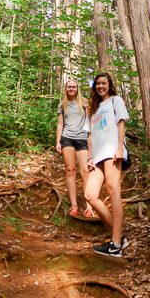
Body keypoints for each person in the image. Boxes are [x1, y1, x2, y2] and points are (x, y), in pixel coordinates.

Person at [85, 72, 130, 258]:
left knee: (113, 191)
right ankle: (119, 237)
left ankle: (116, 245)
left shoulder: (115, 101)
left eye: (104, 83)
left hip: (112, 151)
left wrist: (120, 148)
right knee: (90, 195)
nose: (100, 86)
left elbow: (121, 124)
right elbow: (90, 136)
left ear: (109, 85)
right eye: (98, 83)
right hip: (97, 156)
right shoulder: (92, 109)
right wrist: (89, 157)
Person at [56, 78, 94, 218]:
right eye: (69, 87)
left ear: (77, 89)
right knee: (70, 170)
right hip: (67, 138)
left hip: (82, 139)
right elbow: (60, 124)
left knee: (85, 171)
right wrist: (58, 141)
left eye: (74, 87)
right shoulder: (62, 105)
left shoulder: (84, 103)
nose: (71, 89)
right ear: (66, 89)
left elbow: (90, 121)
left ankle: (89, 206)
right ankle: (74, 205)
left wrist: (90, 138)